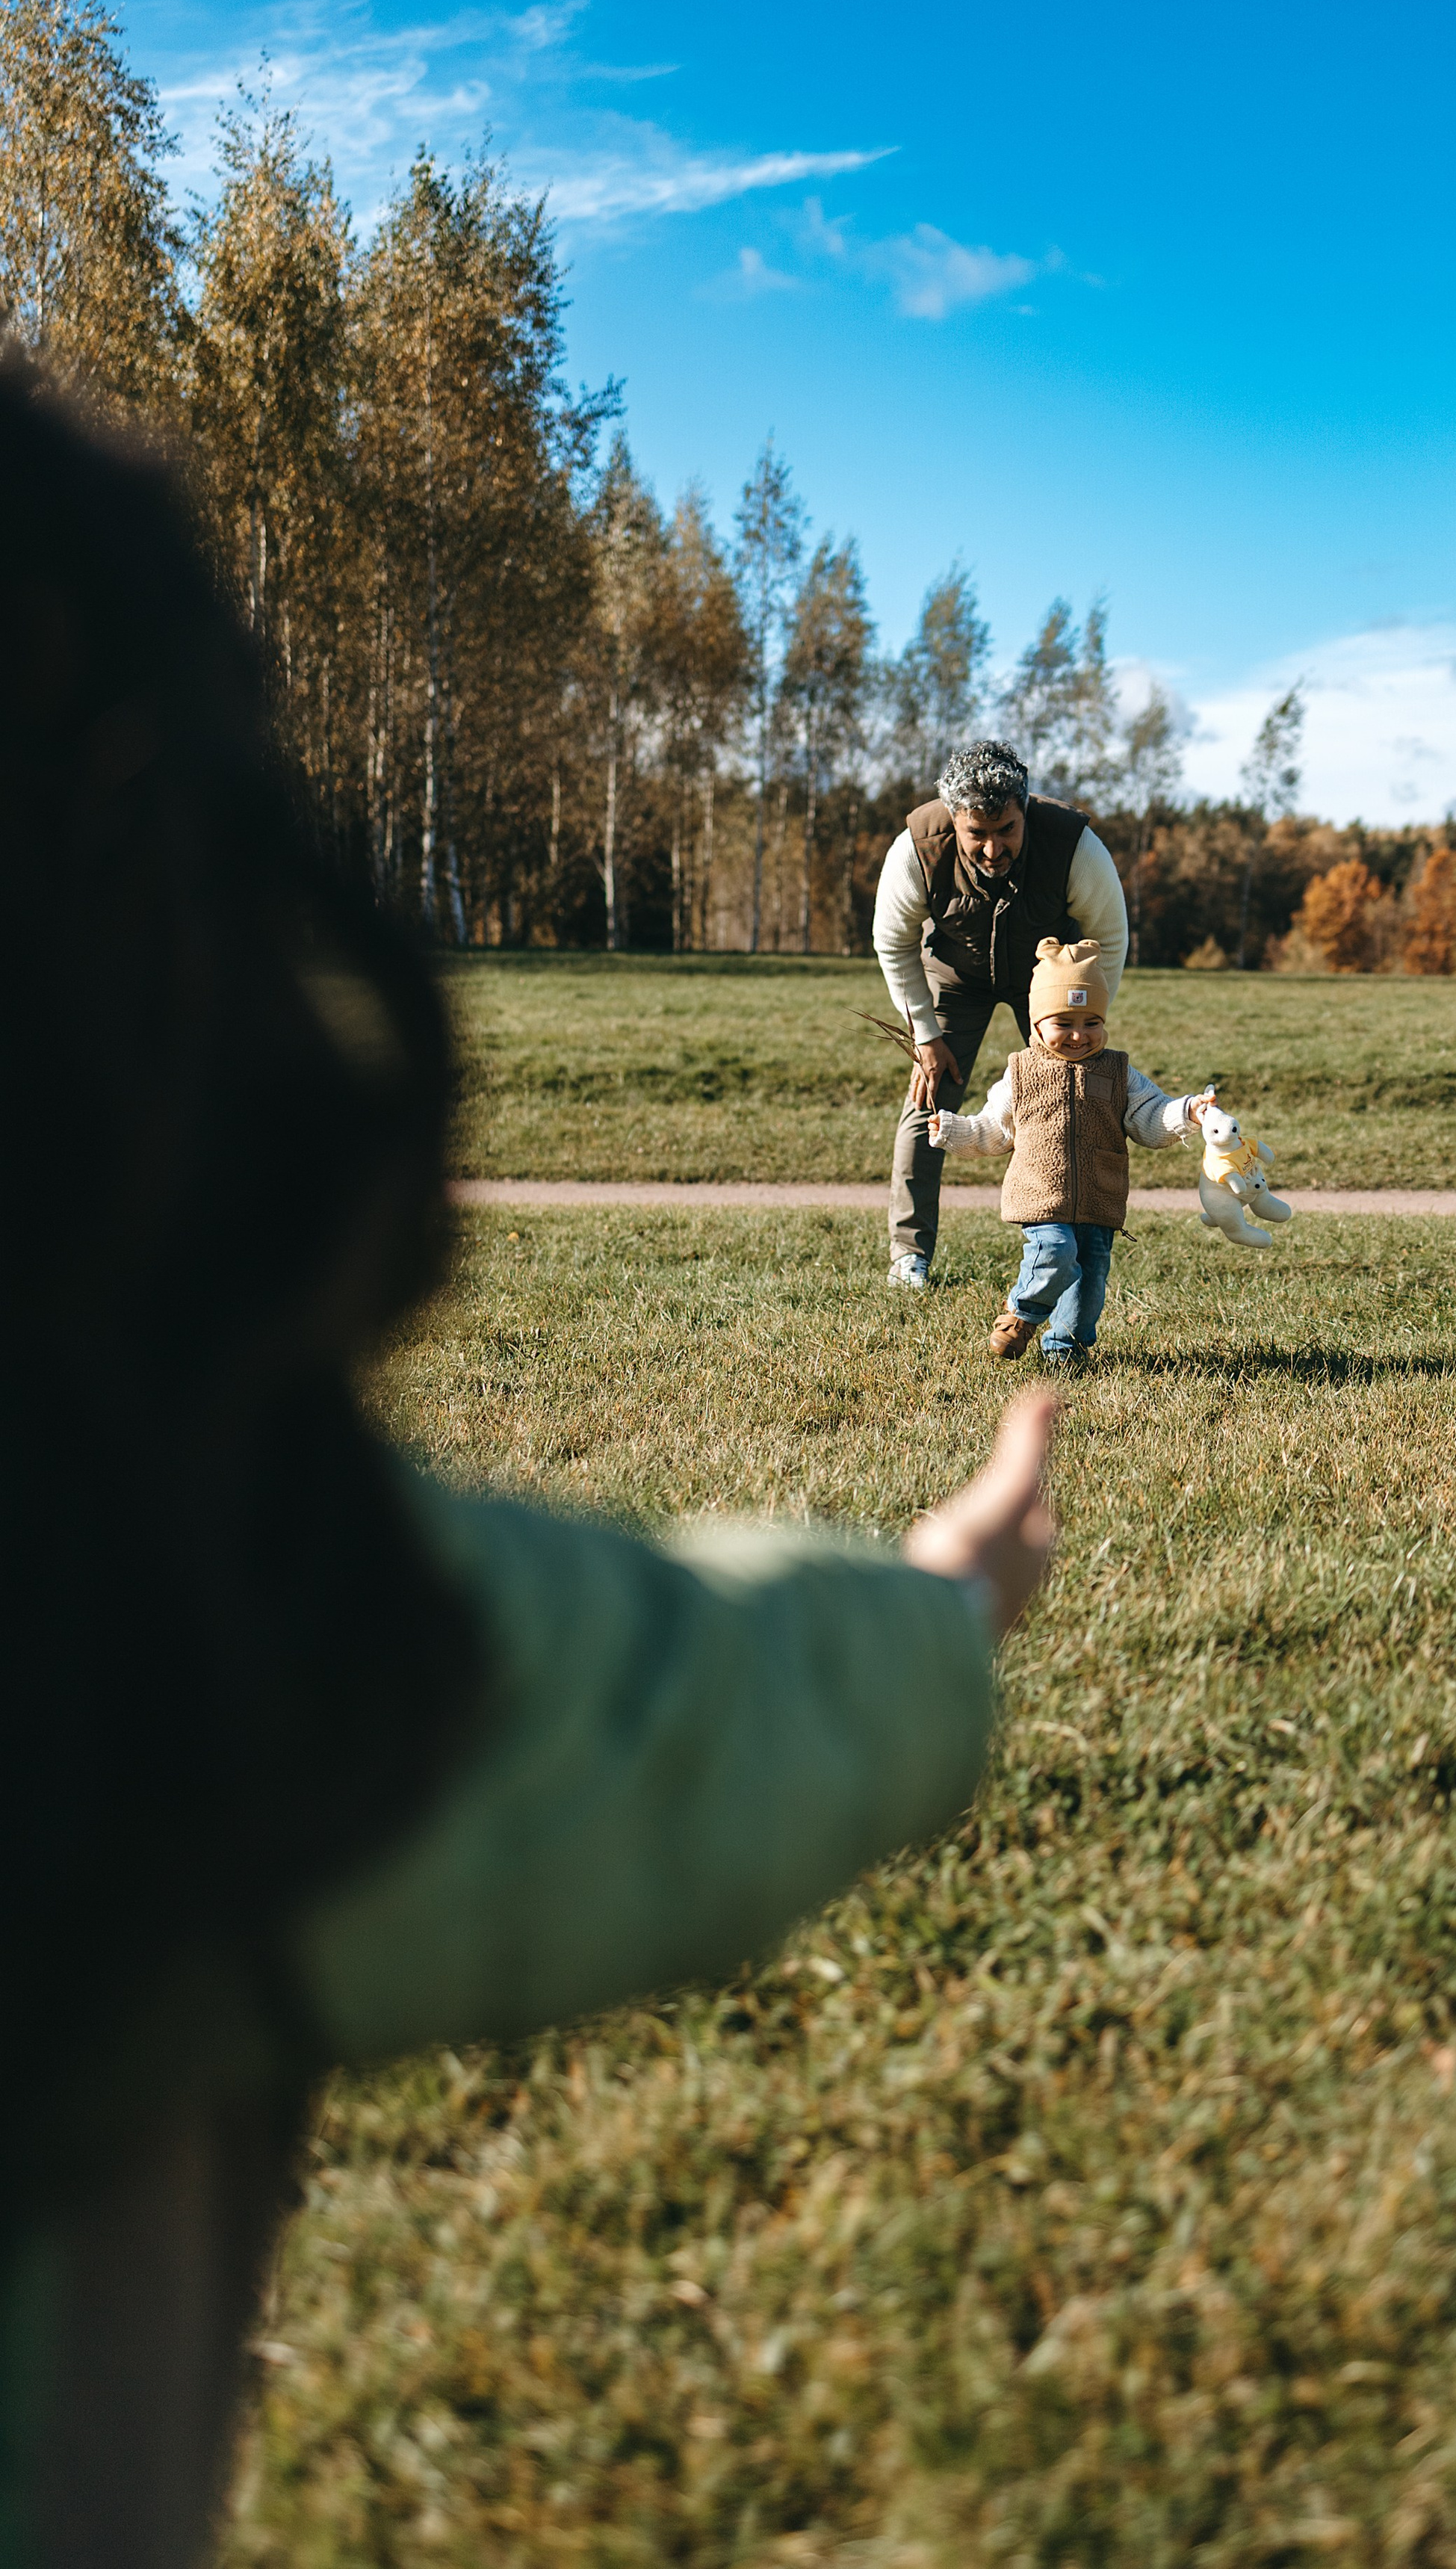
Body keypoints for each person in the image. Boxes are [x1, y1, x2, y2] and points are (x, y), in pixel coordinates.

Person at [0, 364, 1059, 2569]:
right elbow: (658, 1710)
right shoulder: (188, 1606)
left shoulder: (1059, 859)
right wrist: (938, 1602)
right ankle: (903, 1217)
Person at [873, 738, 1129, 1290]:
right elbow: (892, 944)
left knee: (1070, 1103)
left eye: (1006, 830)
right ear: (955, 821)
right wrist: (924, 1034)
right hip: (953, 976)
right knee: (928, 1099)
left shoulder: (1074, 846)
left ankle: (1071, 1249)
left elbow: (1109, 937)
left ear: (1025, 810)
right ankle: (908, 1256)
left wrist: (1082, 1020)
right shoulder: (915, 848)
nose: (992, 849)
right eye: (976, 835)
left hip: (1049, 976)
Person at [929, 937, 1212, 1371]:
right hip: (1042, 1197)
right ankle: (1022, 1315)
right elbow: (992, 1129)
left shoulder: (1119, 1073)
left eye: (1091, 1021)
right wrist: (952, 1129)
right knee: (1056, 1251)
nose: (1079, 1034)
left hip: (1099, 1197)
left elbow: (1150, 1118)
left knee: (1090, 1283)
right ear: (1037, 1023)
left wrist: (1187, 1111)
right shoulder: (1023, 1073)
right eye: (1064, 1022)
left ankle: (1065, 1350)